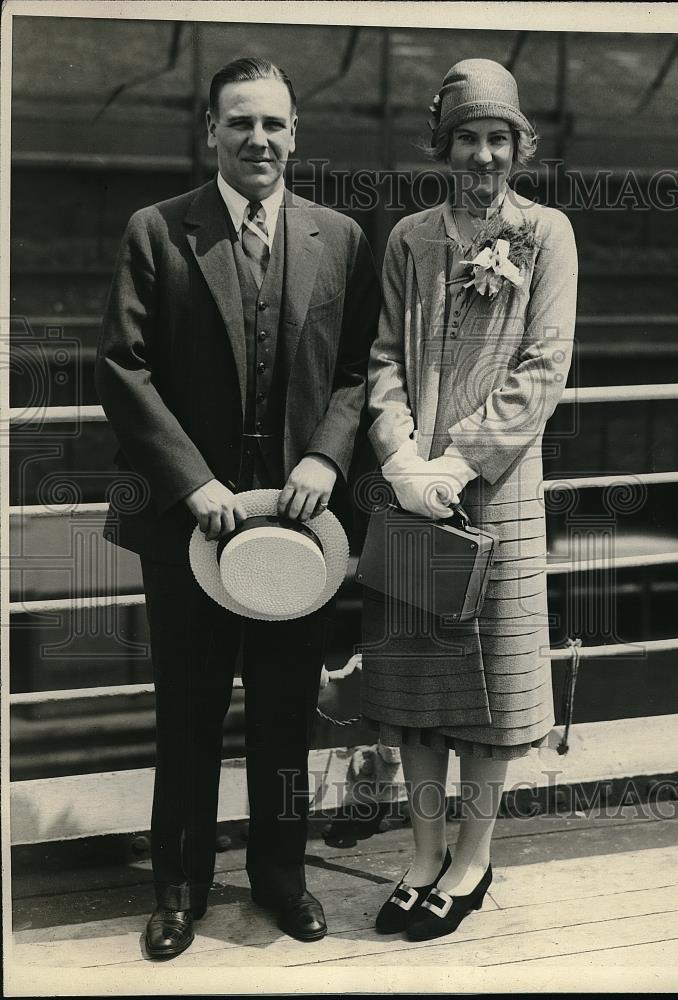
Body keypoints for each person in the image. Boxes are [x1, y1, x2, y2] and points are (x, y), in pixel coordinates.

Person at [95, 56, 380, 958]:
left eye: (273, 125)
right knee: (187, 705)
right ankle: (179, 887)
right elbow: (122, 368)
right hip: (190, 524)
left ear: (296, 135)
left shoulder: (339, 236)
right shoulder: (157, 230)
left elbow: (356, 370)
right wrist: (193, 482)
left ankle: (281, 879)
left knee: (287, 707)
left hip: (300, 527)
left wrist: (328, 458)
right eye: (239, 123)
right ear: (210, 132)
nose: (257, 140)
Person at [362, 58, 578, 941]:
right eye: (467, 138)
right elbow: (382, 356)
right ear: (443, 145)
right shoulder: (411, 236)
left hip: (498, 493)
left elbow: (544, 366)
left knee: (489, 694)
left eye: (498, 138)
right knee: (416, 683)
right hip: (415, 493)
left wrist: (462, 460)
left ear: (519, 145)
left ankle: (473, 857)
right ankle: (419, 853)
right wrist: (402, 455)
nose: (482, 155)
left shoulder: (546, 234)